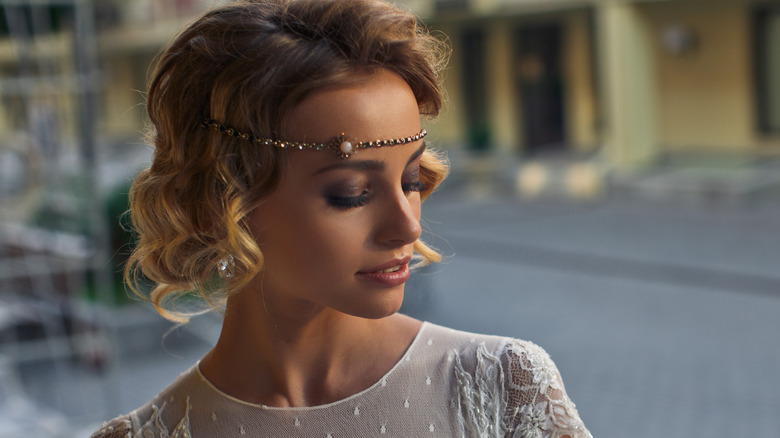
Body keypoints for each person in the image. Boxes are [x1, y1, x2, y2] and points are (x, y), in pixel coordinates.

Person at [91, 0, 591, 436]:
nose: (408, 226)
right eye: (351, 193)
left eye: (412, 181)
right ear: (223, 202)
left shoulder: (504, 388)